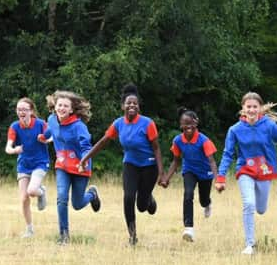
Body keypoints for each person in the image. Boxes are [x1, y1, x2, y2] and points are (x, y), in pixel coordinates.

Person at [215, 92, 277, 255]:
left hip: (265, 170)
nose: (252, 110)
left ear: (260, 108)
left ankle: (256, 208)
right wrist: (220, 177)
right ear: (243, 109)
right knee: (249, 204)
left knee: (260, 209)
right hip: (245, 169)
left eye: (255, 107)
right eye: (249, 107)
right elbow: (227, 154)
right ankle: (249, 245)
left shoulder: (269, 126)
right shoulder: (235, 130)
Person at [79, 84, 163, 246]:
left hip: (149, 166)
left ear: (138, 106)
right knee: (128, 197)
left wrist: (161, 173)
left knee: (142, 206)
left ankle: (149, 200)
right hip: (130, 164)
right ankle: (132, 236)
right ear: (123, 106)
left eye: (135, 103)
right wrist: (85, 158)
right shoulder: (118, 124)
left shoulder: (147, 123)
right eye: (128, 103)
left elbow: (157, 149)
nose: (132, 106)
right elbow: (103, 142)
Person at [40, 90, 101, 245]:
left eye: (65, 106)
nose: (62, 108)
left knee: (77, 204)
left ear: (71, 109)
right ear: (55, 106)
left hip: (81, 166)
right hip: (62, 165)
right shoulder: (52, 119)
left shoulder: (79, 126)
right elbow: (50, 130)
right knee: (61, 198)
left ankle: (92, 194)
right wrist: (43, 137)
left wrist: (84, 161)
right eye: (59, 105)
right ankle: (64, 235)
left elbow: (87, 146)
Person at [160, 108, 218, 242]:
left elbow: (212, 161)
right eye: (185, 124)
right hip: (189, 170)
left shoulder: (204, 140)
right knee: (188, 194)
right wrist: (166, 179)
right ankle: (189, 229)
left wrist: (217, 179)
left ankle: (208, 203)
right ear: (180, 125)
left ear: (196, 123)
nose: (188, 127)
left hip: (205, 173)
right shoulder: (178, 141)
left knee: (203, 200)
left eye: (190, 123)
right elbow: (176, 161)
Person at [5, 97, 49, 238]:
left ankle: (41, 192)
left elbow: (53, 137)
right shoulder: (15, 126)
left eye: (24, 109)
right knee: (24, 198)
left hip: (40, 163)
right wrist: (15, 150)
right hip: (23, 165)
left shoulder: (41, 124)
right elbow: (8, 148)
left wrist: (45, 138)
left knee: (31, 191)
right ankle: (29, 230)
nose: (21, 112)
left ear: (31, 111)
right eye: (19, 109)